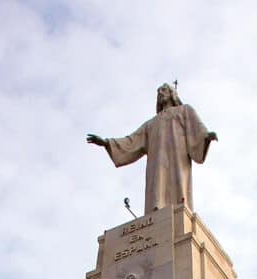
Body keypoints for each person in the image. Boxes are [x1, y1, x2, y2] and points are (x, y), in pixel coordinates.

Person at [87, 83, 218, 214]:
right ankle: (157, 214)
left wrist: (206, 137)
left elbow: (196, 128)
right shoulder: (152, 124)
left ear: (172, 93)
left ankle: (179, 212)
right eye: (158, 91)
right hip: (157, 165)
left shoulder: (184, 110)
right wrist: (106, 143)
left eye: (164, 90)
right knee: (158, 187)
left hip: (178, 159)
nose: (160, 93)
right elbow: (132, 141)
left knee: (179, 185)